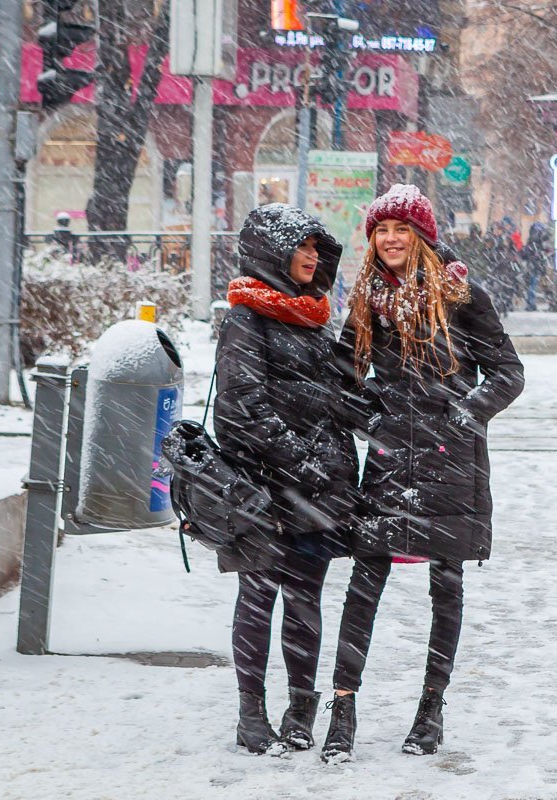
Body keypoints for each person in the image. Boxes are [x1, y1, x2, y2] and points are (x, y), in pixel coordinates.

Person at [321, 184, 525, 762]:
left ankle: (430, 710)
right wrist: (373, 418)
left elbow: (508, 372)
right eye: (382, 230)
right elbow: (340, 378)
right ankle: (343, 708)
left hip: (451, 461)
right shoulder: (365, 300)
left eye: (402, 230)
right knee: (364, 585)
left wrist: (463, 416)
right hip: (389, 461)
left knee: (447, 586)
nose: (390, 239)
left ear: (422, 237)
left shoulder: (462, 296)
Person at [214, 203, 364, 756]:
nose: (310, 257)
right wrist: (300, 461)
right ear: (270, 253)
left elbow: (333, 397)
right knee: (257, 597)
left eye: (315, 248)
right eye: (300, 246)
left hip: (314, 489)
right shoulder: (245, 318)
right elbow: (241, 406)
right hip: (261, 488)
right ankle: (249, 714)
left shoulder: (311, 316)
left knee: (305, 599)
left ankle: (301, 708)